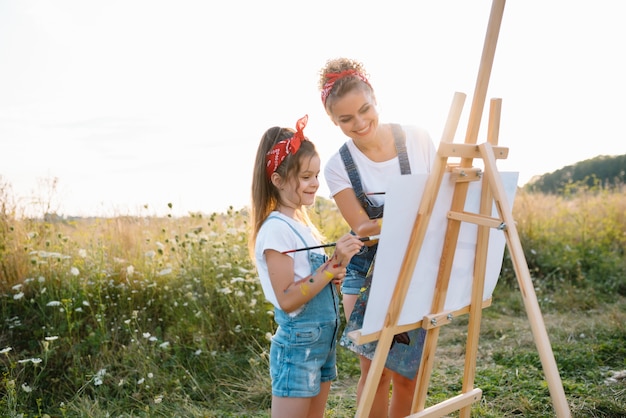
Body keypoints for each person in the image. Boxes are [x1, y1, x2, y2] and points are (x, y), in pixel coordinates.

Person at [318, 58, 437, 417]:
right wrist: (418, 215)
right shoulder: (337, 165)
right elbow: (363, 226)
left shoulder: (417, 138)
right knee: (375, 370)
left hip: (415, 264)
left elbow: (442, 198)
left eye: (365, 110)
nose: (360, 123)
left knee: (407, 375)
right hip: (364, 271)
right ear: (333, 121)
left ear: (376, 100)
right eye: (346, 119)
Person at [250, 114, 365, 418]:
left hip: (320, 343)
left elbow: (310, 281)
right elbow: (288, 299)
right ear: (277, 180)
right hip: (299, 346)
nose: (315, 183)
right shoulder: (276, 229)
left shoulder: (301, 225)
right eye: (305, 177)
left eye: (316, 175)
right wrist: (328, 269)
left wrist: (335, 270)